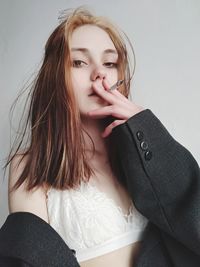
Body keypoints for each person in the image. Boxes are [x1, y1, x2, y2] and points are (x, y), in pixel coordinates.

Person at [0, 7, 200, 267]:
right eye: (79, 62)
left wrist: (145, 124)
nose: (99, 74)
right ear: (56, 77)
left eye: (109, 63)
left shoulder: (141, 152)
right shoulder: (30, 167)